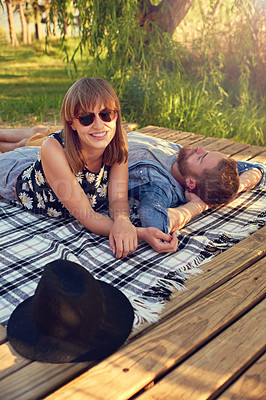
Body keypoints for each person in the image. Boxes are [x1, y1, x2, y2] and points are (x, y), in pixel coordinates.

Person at [1, 77, 160, 259]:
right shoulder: (53, 149)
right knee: (13, 149)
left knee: (25, 143)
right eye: (86, 118)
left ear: (116, 115)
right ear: (71, 124)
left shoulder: (118, 139)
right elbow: (87, 216)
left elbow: (118, 198)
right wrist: (140, 233)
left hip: (44, 162)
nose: (99, 125)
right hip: (12, 174)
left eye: (106, 114)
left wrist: (123, 220)